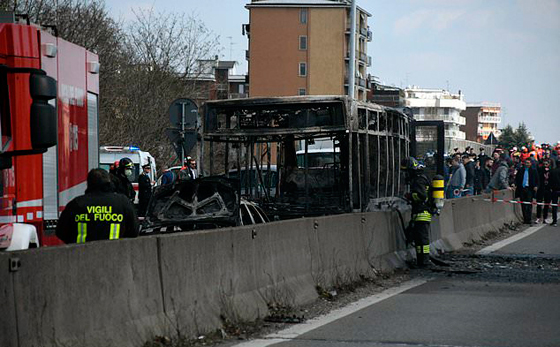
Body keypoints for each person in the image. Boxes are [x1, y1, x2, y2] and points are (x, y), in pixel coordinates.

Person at [56, 169, 139, 244]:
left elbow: (61, 231)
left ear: (88, 183)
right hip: (114, 254)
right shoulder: (122, 202)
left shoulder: (77, 204)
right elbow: (134, 230)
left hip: (81, 256)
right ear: (109, 182)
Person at [401, 157, 433, 267]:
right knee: (419, 238)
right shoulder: (423, 177)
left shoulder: (418, 180)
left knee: (422, 239)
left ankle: (424, 261)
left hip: (421, 212)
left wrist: (410, 196)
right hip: (422, 212)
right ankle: (421, 261)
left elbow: (422, 196)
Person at [515, 158, 539, 224]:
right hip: (522, 188)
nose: (527, 164)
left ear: (530, 163)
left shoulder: (533, 171)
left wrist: (536, 186)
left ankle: (529, 218)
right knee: (523, 204)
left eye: (528, 163)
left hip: (530, 189)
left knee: (529, 204)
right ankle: (525, 218)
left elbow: (537, 180)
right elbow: (517, 179)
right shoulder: (521, 170)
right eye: (526, 163)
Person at [536, 159, 553, 224]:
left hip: (548, 189)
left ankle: (545, 218)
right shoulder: (540, 170)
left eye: (546, 164)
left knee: (546, 204)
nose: (545, 166)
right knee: (539, 203)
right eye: (544, 164)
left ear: (549, 165)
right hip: (541, 188)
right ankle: (538, 217)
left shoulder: (551, 171)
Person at [549, 159, 560, 227]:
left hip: (554, 190)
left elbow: (550, 181)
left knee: (554, 206)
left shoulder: (552, 171)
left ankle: (554, 221)